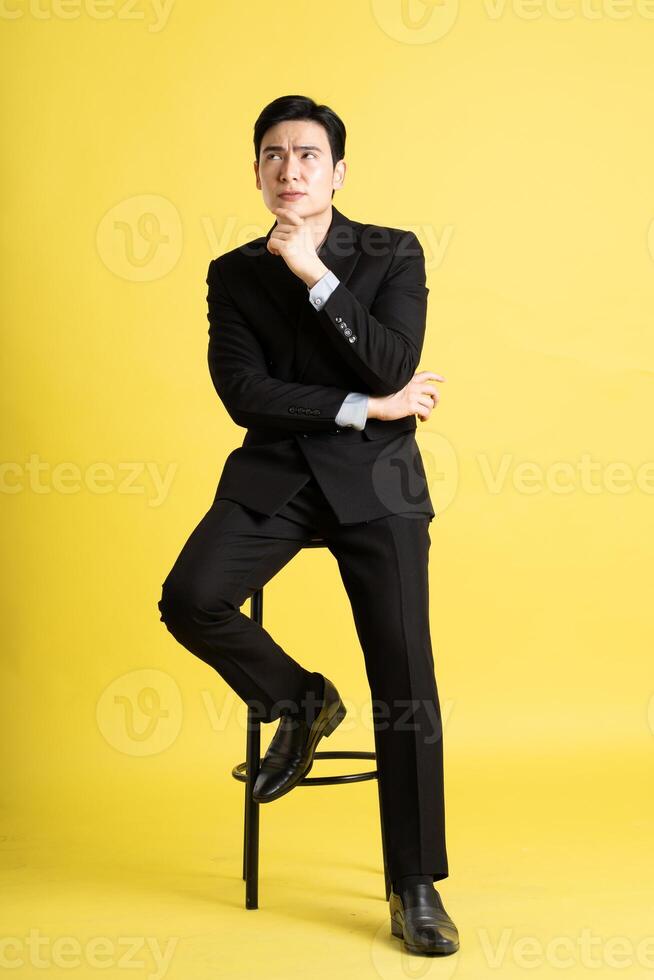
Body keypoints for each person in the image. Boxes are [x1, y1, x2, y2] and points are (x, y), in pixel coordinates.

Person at [157, 94, 459, 956]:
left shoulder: (392, 252)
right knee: (190, 598)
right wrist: (370, 405)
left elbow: (395, 357)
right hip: (279, 476)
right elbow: (243, 396)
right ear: (256, 171)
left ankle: (415, 884)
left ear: (338, 172)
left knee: (405, 682)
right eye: (273, 157)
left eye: (308, 157)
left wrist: (314, 275)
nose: (290, 170)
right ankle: (301, 699)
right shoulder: (230, 272)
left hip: (378, 485)